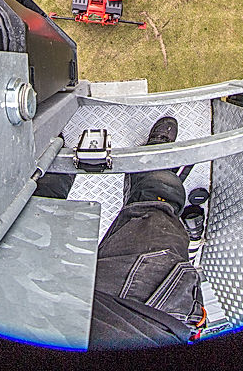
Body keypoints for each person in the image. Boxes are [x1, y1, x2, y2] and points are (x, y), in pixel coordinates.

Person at [36, 116, 206, 348]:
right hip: (142, 322)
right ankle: (153, 165)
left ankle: (49, 155)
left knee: (32, 216)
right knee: (157, 212)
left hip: (29, 311)